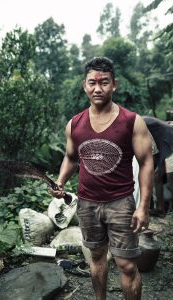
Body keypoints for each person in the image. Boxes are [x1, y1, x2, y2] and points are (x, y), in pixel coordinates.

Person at [51, 57, 154, 300]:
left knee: (127, 265)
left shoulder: (131, 121)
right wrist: (60, 181)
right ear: (84, 85)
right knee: (96, 259)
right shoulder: (74, 124)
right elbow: (71, 158)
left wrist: (143, 206)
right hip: (87, 203)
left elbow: (146, 162)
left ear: (114, 85)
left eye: (104, 82)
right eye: (92, 83)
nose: (98, 88)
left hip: (121, 203)